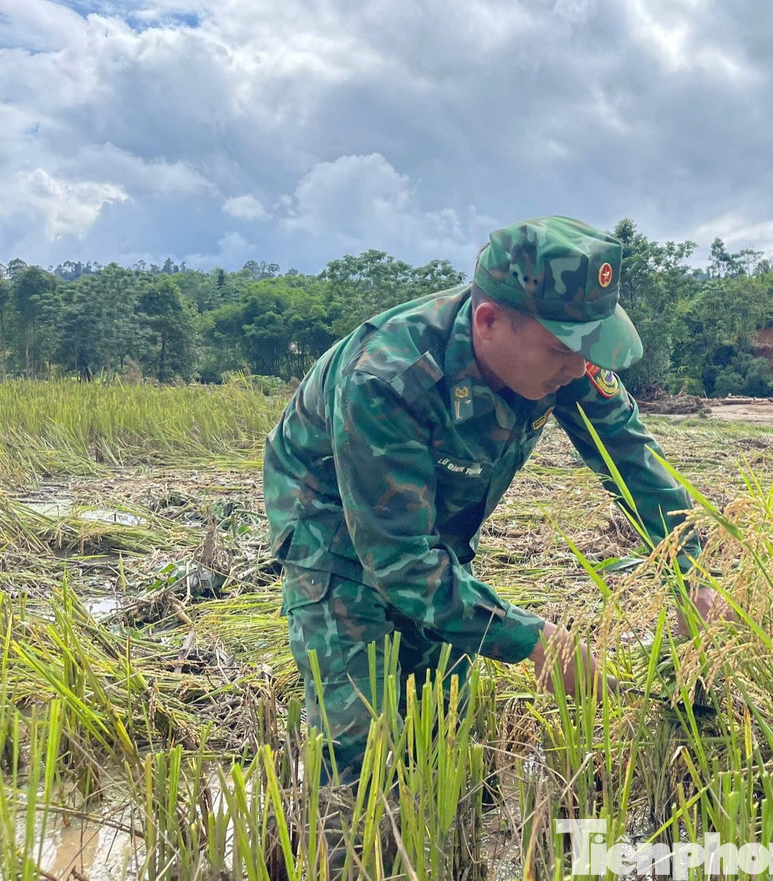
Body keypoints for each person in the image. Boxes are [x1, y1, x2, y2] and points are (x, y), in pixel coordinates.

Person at [264, 215, 718, 784]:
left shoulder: (564, 357)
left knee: (442, 729)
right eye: (562, 350)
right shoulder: (386, 378)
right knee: (362, 751)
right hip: (330, 526)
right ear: (488, 321)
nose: (579, 369)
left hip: (437, 528)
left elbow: (634, 466)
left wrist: (691, 574)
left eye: (588, 349)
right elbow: (399, 560)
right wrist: (535, 641)